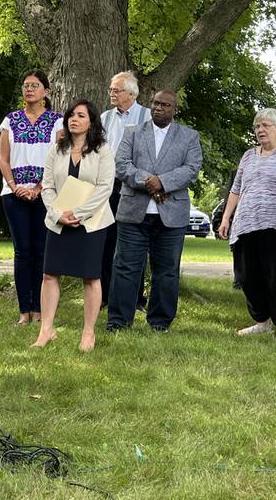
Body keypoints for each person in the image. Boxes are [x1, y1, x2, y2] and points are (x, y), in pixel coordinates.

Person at [106, 90, 202, 332]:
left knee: (167, 271)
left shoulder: (189, 137)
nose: (159, 108)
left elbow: (191, 169)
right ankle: (118, 321)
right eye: (156, 103)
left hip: (171, 216)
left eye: (166, 105)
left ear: (175, 109)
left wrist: (163, 182)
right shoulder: (133, 132)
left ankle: (160, 322)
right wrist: (149, 181)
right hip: (133, 212)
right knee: (125, 267)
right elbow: (121, 165)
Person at [33, 100, 114, 351]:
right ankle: (46, 330)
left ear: (91, 122)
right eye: (71, 115)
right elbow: (47, 186)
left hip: (91, 223)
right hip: (59, 222)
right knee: (49, 275)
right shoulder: (56, 149)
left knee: (91, 277)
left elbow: (105, 188)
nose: (74, 119)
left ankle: (88, 333)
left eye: (80, 115)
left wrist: (78, 213)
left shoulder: (102, 150)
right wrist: (57, 214)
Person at [218, 108, 276, 340]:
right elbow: (236, 188)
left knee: (275, 276)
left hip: (275, 224)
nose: (260, 130)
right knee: (247, 276)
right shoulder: (249, 155)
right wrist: (226, 217)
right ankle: (261, 321)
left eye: (266, 125)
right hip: (245, 223)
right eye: (257, 126)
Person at [0, 69, 63, 326]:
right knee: (22, 252)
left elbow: (59, 158)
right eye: (26, 85)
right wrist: (15, 187)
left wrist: (37, 188)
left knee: (41, 252)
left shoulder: (57, 121)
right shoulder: (10, 120)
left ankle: (39, 309)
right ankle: (24, 311)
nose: (29, 89)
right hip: (13, 195)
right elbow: (3, 159)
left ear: (46, 92)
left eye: (35, 85)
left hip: (44, 194)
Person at [99, 71, 150, 311]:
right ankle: (106, 295)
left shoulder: (147, 117)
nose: (111, 93)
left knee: (133, 241)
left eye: (116, 90)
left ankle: (136, 298)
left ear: (131, 93)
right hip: (107, 186)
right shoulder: (104, 118)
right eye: (111, 90)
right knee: (106, 241)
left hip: (133, 186)